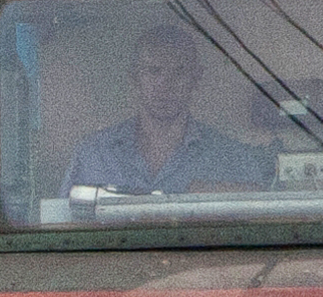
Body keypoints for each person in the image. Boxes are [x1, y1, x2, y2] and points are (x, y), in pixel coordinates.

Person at [63, 22, 273, 199]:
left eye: (179, 71)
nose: (165, 84)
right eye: (154, 71)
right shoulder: (94, 154)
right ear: (135, 77)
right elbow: (64, 228)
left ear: (196, 78)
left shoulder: (232, 159)